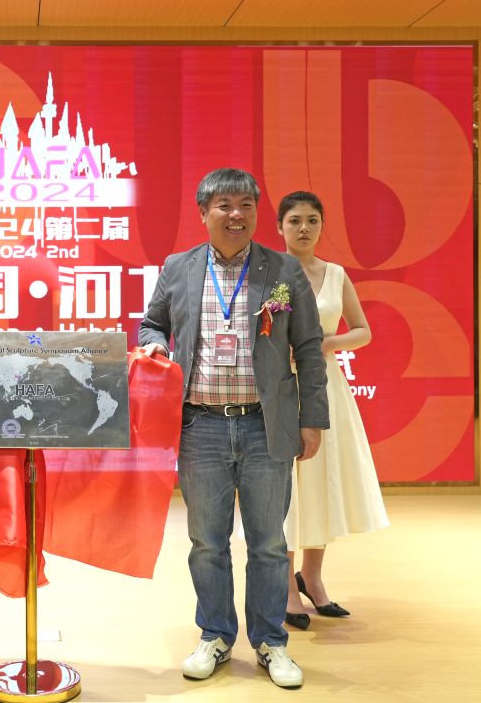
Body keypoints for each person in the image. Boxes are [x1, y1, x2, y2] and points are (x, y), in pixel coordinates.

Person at [138, 168, 329, 689]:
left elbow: (309, 347)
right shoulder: (178, 267)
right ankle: (216, 636)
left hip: (265, 426)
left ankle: (270, 642)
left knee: (268, 543)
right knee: (207, 542)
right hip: (199, 426)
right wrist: (155, 344)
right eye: (224, 205)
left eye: (246, 204)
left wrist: (312, 419)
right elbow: (153, 323)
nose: (236, 214)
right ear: (203, 213)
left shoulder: (282, 269)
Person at [275, 191, 389, 630]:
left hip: (327, 388)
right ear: (280, 227)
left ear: (322, 226)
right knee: (287, 487)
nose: (304, 228)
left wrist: (326, 343)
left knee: (322, 481)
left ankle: (313, 577)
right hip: (284, 388)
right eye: (295, 221)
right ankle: (286, 587)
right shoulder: (272, 272)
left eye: (312, 220)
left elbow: (363, 331)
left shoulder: (336, 275)